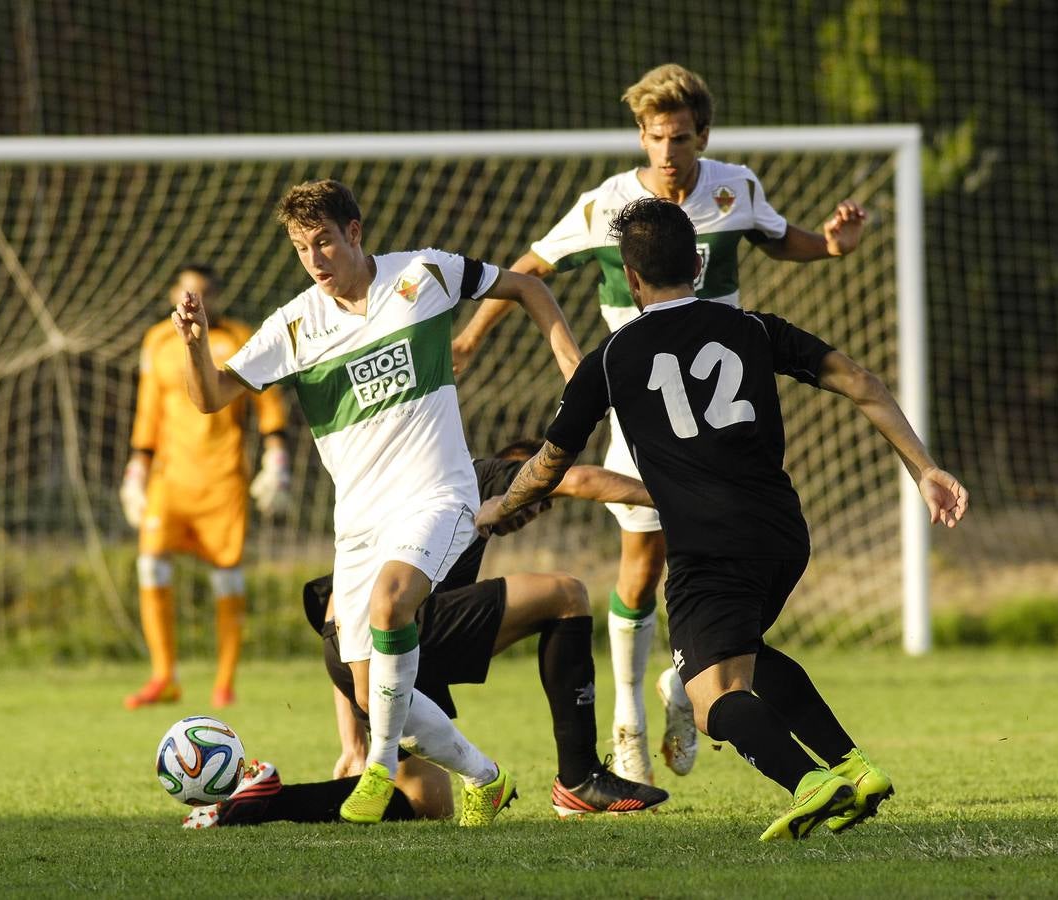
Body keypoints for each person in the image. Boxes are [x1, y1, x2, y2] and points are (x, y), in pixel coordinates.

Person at [478, 198, 968, 840]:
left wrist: (501, 505)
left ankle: (809, 782)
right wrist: (924, 468)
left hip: (710, 549)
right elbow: (862, 382)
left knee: (710, 700)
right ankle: (854, 764)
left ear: (629, 276)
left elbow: (548, 463)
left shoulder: (613, 356)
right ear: (699, 263)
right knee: (746, 657)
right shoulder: (756, 329)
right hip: (784, 535)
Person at [451, 63, 867, 785]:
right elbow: (529, 265)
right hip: (644, 418)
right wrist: (466, 339)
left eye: (678, 137)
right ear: (640, 138)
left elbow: (781, 239)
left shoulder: (734, 188)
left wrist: (830, 245)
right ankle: (629, 724)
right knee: (639, 570)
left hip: (719, 425)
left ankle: (686, 688)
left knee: (716, 566)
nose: (666, 152)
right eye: (653, 137)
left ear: (701, 135)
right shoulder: (609, 204)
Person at [172, 179, 581, 826]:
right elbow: (209, 396)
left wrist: (571, 369)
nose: (314, 259)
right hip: (357, 524)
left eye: (325, 241)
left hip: (438, 495)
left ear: (354, 232)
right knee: (372, 690)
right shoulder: (295, 326)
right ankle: (487, 777)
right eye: (302, 248)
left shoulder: (424, 273)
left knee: (393, 603)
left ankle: (378, 767)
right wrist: (195, 343)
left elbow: (526, 285)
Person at [183, 445, 671, 829]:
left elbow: (337, 615)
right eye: (535, 497)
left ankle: (266, 801)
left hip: (363, 650)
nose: (531, 513)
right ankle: (578, 777)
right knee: (566, 594)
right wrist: (675, 494)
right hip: (389, 637)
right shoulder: (479, 477)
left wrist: (354, 739)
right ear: (518, 469)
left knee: (426, 802)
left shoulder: (415, 494)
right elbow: (581, 479)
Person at [120, 263, 291, 710]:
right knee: (151, 563)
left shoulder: (236, 337)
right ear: (173, 294)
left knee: (227, 574)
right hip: (169, 479)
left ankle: (224, 682)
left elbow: (266, 400)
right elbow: (149, 409)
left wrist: (276, 457)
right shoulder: (156, 341)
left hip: (222, 479)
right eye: (185, 292)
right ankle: (163, 676)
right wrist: (136, 468)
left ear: (215, 297)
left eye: (202, 293)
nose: (193, 300)